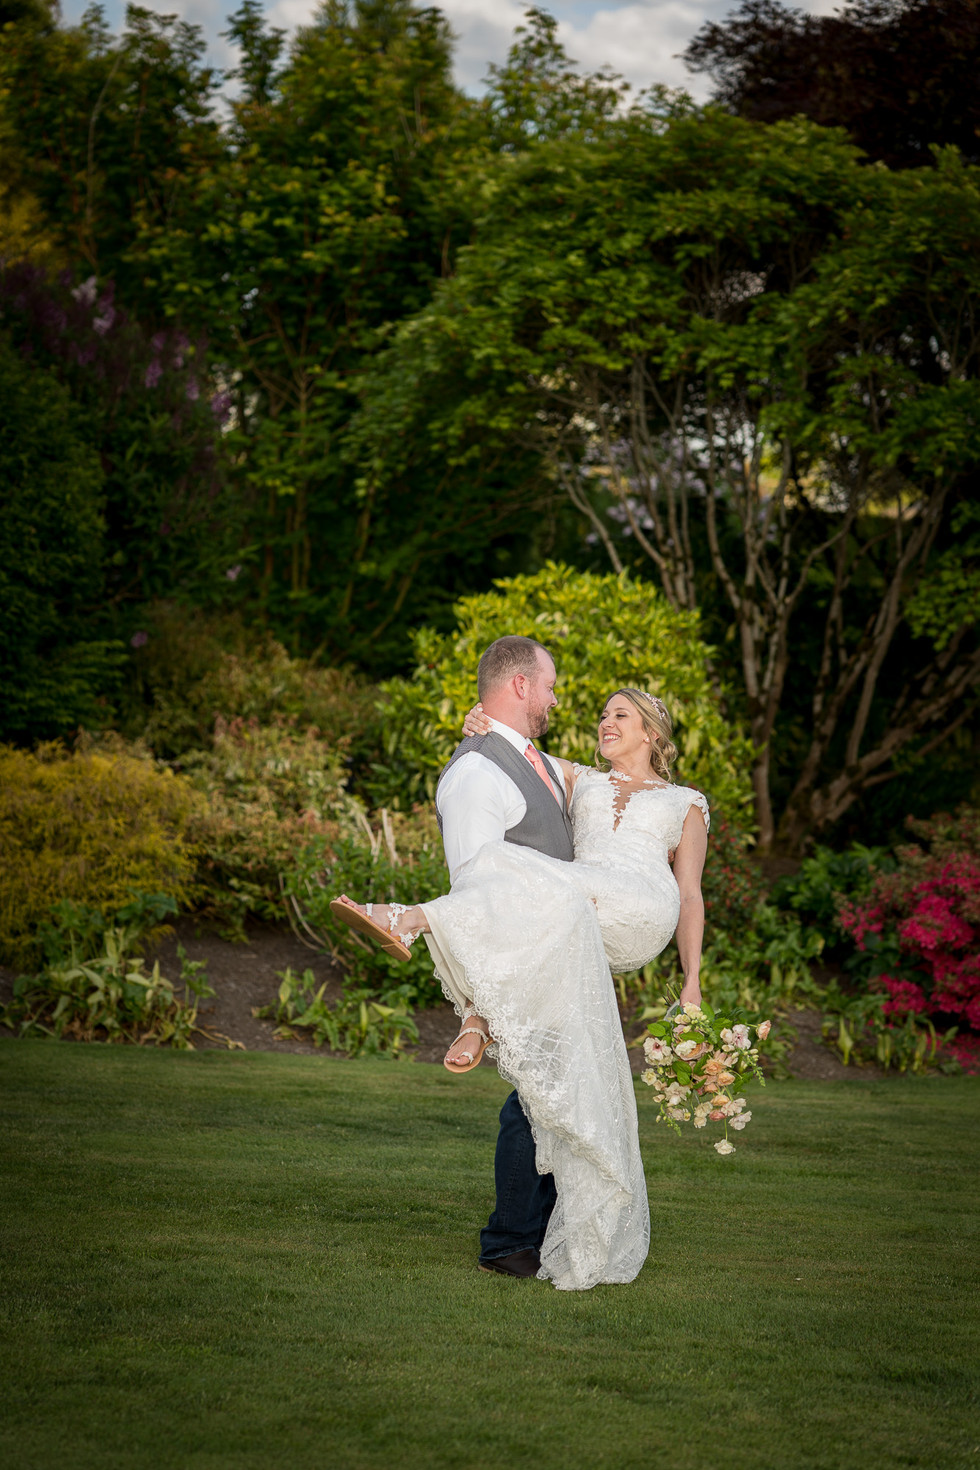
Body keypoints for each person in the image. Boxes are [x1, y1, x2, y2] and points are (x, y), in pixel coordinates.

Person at [332, 637, 709, 1292]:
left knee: (529, 875)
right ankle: (536, 1225)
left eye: (620, 715)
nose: (604, 721)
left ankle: (410, 922)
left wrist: (693, 981)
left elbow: (692, 893)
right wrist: (477, 722)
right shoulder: (579, 779)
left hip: (640, 907)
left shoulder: (686, 802)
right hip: (578, 916)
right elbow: (514, 747)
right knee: (517, 880)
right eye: (601, 713)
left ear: (651, 732)